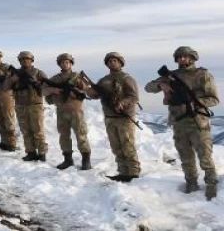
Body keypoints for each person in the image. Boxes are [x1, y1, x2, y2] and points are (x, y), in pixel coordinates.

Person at [145, 46, 219, 200]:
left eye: (185, 57)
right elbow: (148, 87)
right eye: (179, 57)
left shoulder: (202, 75)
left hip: (198, 122)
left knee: (205, 155)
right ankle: (191, 183)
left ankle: (211, 183)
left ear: (192, 58)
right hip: (179, 122)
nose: (182, 59)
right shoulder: (171, 76)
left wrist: (196, 102)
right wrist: (161, 85)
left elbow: (214, 99)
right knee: (185, 157)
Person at [85, 52, 141, 182]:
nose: (112, 63)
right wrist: (86, 89)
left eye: (115, 60)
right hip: (110, 117)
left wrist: (122, 103)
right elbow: (95, 95)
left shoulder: (127, 78)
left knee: (127, 145)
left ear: (120, 62)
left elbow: (134, 97)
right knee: (116, 146)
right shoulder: (104, 80)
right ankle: (122, 171)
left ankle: (133, 172)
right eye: (109, 61)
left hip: (124, 117)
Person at [43, 53, 91, 170]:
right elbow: (43, 91)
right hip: (61, 111)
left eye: (67, 62)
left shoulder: (77, 76)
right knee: (64, 136)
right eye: (62, 62)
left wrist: (80, 86)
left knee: (81, 135)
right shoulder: (55, 78)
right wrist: (53, 90)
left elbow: (87, 88)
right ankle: (67, 159)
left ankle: (86, 160)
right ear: (59, 64)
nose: (65, 64)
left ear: (71, 63)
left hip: (76, 111)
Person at [10, 51, 48, 162]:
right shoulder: (15, 73)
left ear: (31, 60)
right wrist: (12, 80)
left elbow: (47, 86)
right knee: (25, 130)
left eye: (27, 59)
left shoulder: (38, 73)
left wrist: (37, 83)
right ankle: (30, 152)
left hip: (35, 105)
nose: (25, 61)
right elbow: (5, 87)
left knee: (38, 130)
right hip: (21, 105)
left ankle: (42, 153)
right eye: (22, 59)